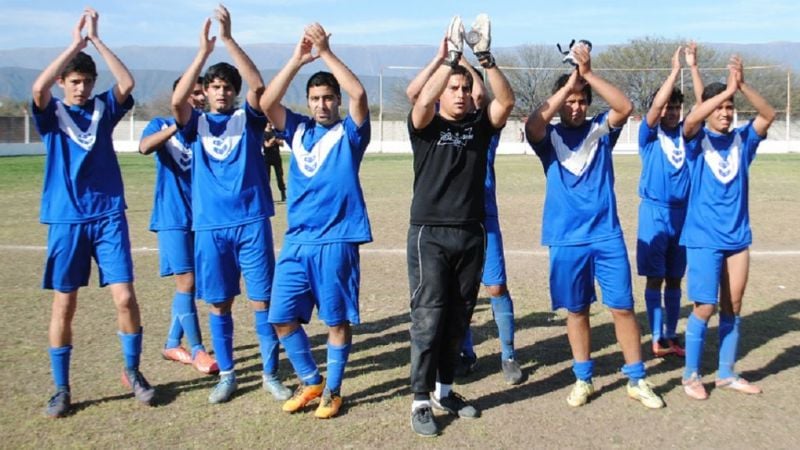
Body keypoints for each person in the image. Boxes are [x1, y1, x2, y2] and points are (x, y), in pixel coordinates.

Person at [525, 42, 664, 410]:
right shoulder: (548, 137)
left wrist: (586, 75)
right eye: (570, 100)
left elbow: (625, 107)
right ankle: (583, 378)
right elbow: (534, 123)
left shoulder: (601, 129)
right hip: (566, 241)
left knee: (622, 308)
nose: (576, 106)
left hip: (606, 236)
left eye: (581, 100)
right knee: (577, 311)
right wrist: (570, 82)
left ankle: (636, 378)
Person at [31, 7, 154, 418]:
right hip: (66, 220)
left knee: (124, 298)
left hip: (108, 217)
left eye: (85, 81)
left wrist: (96, 40)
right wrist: (73, 45)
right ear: (64, 83)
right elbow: (37, 88)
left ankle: (133, 372)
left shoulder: (103, 109)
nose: (81, 89)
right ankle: (61, 388)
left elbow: (127, 82)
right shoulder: (52, 114)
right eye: (74, 81)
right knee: (65, 305)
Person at [171, 5, 290, 404]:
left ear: (233, 91)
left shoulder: (249, 118)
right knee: (220, 303)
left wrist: (228, 40)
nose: (222, 92)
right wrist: (202, 53)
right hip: (210, 227)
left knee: (262, 301)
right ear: (205, 91)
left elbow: (260, 87)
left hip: (251, 220)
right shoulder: (195, 123)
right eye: (215, 86)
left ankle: (270, 374)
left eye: (227, 86)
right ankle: (229, 375)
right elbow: (176, 104)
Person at [406, 15, 515, 437]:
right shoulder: (426, 127)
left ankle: (444, 390)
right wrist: (451, 60)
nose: (460, 93)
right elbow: (419, 102)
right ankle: (419, 399)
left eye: (465, 88)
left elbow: (505, 102)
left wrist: (483, 58)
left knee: (459, 317)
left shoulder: (479, 128)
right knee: (428, 317)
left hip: (472, 232)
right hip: (429, 234)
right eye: (453, 87)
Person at [260, 22, 371, 420]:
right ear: (307, 102)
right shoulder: (297, 131)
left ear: (336, 101)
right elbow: (265, 104)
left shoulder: (350, 134)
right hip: (297, 242)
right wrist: (297, 59)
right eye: (315, 98)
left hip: (337, 240)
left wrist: (325, 53)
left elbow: (359, 93)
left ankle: (335, 391)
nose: (322, 104)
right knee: (280, 317)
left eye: (327, 98)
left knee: (336, 320)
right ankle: (311, 380)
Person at [679, 55, 775, 400]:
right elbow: (691, 120)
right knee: (705, 307)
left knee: (734, 305)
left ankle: (726, 374)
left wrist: (742, 85)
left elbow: (769, 115)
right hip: (704, 239)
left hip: (738, 238)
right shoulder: (694, 141)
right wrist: (721, 93)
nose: (725, 112)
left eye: (730, 107)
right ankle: (690, 375)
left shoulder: (743, 140)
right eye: (720, 108)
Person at [138, 77, 218, 375]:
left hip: (202, 217)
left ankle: (173, 342)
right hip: (172, 217)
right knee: (185, 283)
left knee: (192, 284)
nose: (199, 97)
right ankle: (198, 350)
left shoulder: (207, 127)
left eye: (201, 93)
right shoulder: (160, 124)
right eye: (193, 93)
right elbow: (144, 147)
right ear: (179, 96)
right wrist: (177, 124)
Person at [636, 43, 703, 358]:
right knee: (655, 277)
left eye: (677, 108)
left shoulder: (687, 135)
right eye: (668, 107)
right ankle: (656, 336)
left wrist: (692, 68)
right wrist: (674, 71)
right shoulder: (649, 136)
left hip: (684, 215)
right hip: (654, 213)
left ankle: (671, 335)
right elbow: (653, 110)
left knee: (676, 278)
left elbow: (703, 105)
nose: (673, 112)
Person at [262, 121, 286, 202]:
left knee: (279, 176)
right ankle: (267, 195)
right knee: (267, 177)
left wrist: (277, 141)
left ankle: (283, 193)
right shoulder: (263, 133)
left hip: (276, 157)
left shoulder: (275, 132)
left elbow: (282, 144)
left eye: (270, 123)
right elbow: (267, 145)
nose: (269, 124)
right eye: (268, 123)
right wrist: (273, 139)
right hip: (267, 158)